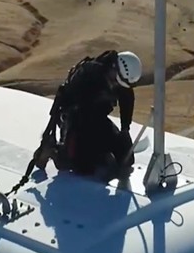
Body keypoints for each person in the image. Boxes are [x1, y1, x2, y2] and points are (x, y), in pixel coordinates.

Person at [35, 50, 141, 181]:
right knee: (82, 167)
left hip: (98, 119)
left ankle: (96, 153)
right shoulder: (89, 74)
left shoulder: (120, 80)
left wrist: (125, 129)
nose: (115, 84)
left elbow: (127, 99)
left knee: (126, 157)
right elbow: (73, 107)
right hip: (77, 120)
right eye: (115, 80)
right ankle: (53, 151)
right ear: (113, 67)